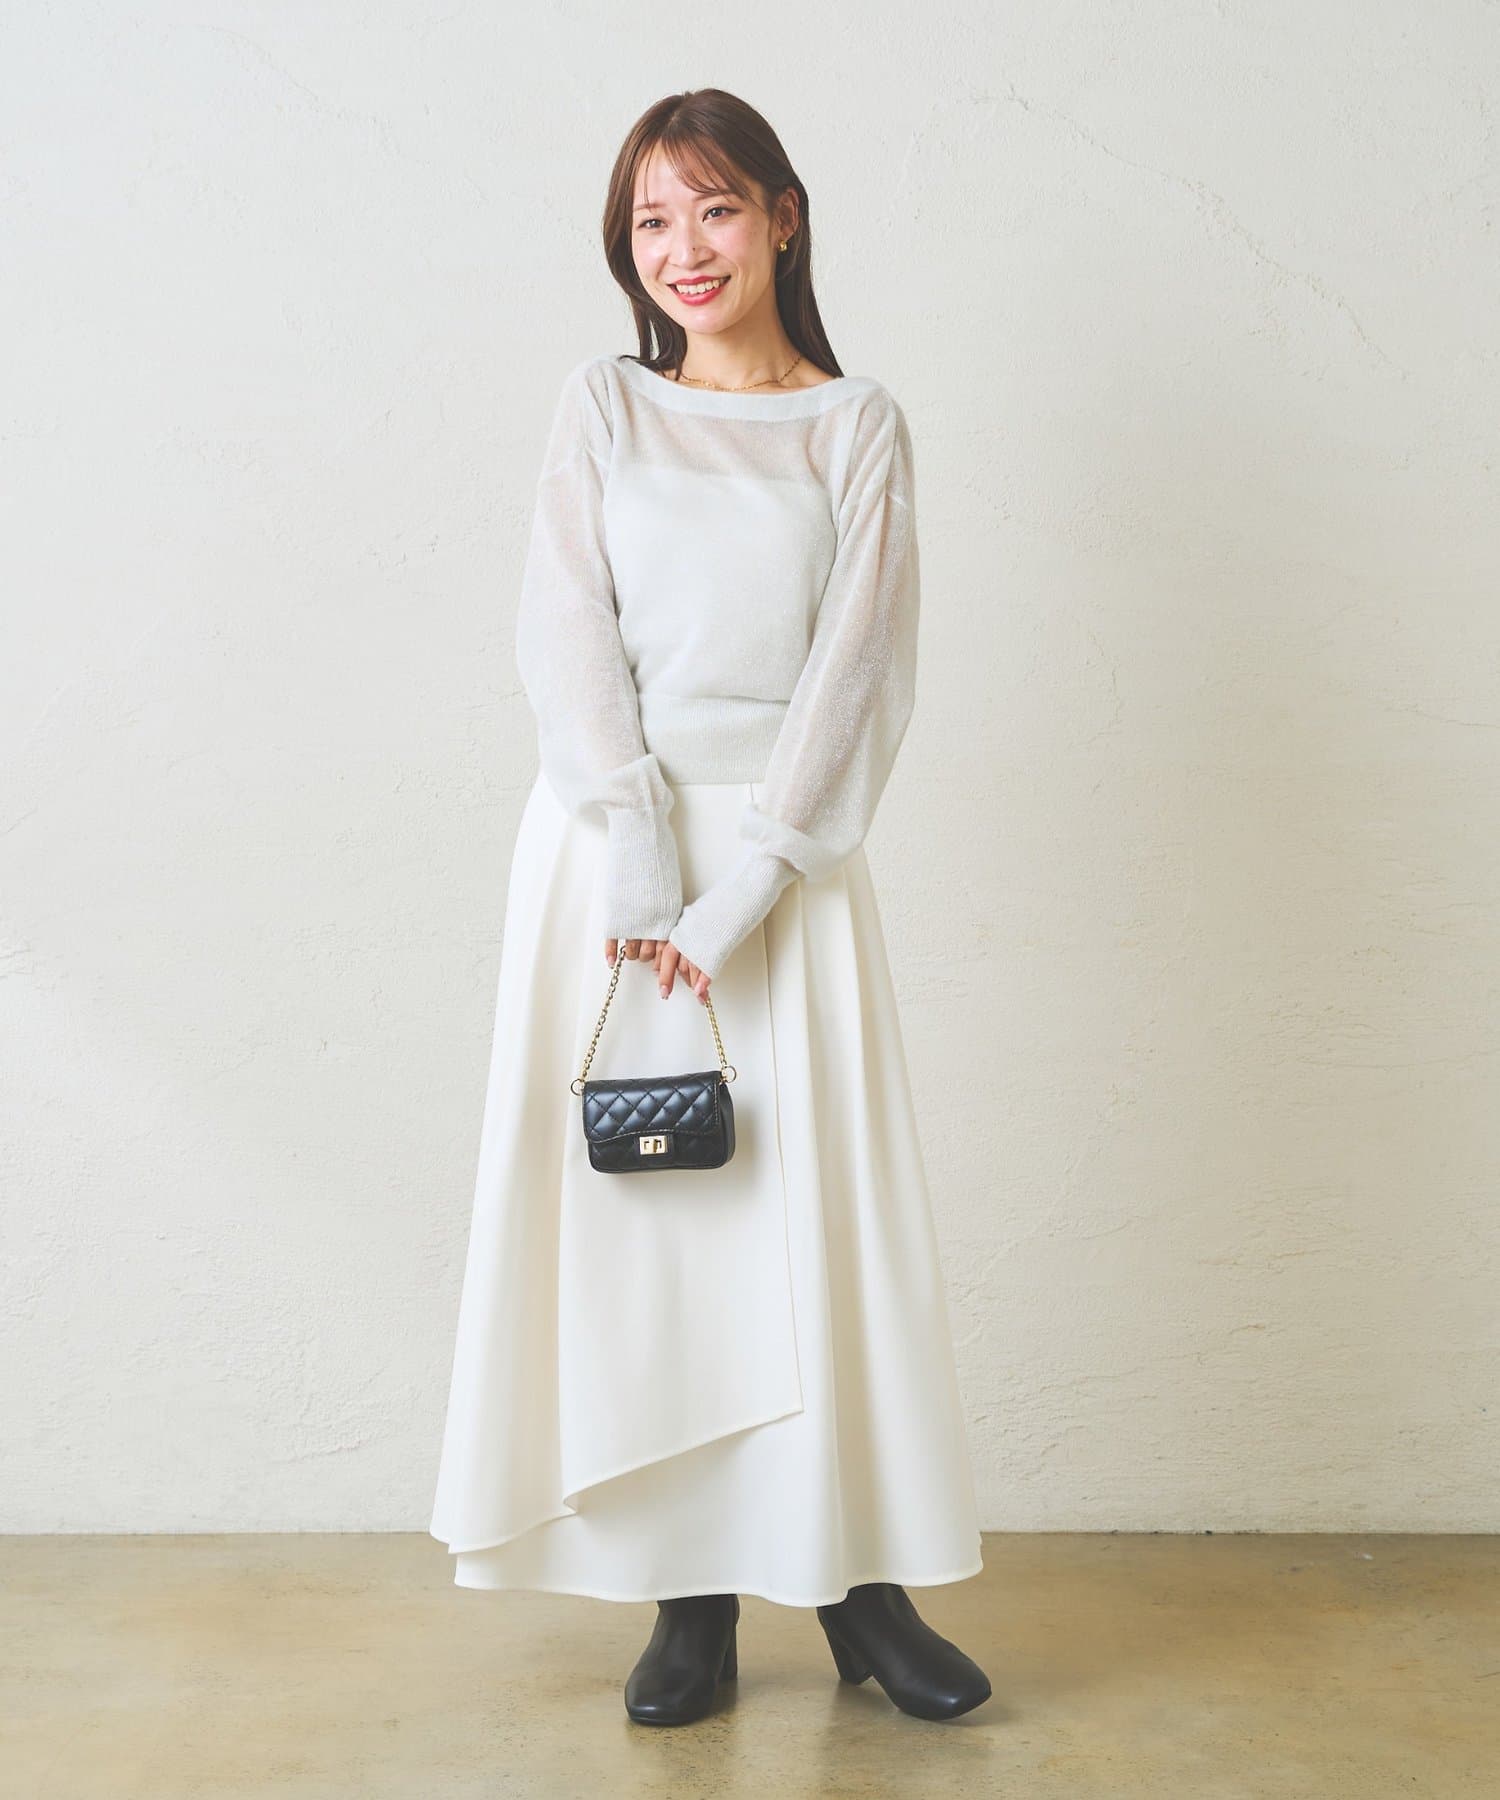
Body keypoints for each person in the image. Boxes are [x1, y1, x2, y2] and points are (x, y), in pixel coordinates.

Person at [430, 87, 991, 1727]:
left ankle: (853, 1587)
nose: (683, 249)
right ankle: (689, 1606)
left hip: (784, 871)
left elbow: (861, 669)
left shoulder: (855, 424)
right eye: (652, 221)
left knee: (810, 1221)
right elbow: (565, 627)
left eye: (717, 209)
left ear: (783, 218)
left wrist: (748, 880)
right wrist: (638, 851)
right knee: (654, 1222)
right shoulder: (604, 404)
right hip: (610, 865)